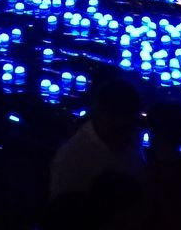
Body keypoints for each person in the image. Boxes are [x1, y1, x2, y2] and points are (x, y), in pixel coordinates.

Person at [48, 67, 145, 204]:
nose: (130, 133)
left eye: (133, 124)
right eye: (123, 127)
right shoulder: (72, 157)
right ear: (104, 117)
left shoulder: (133, 139)